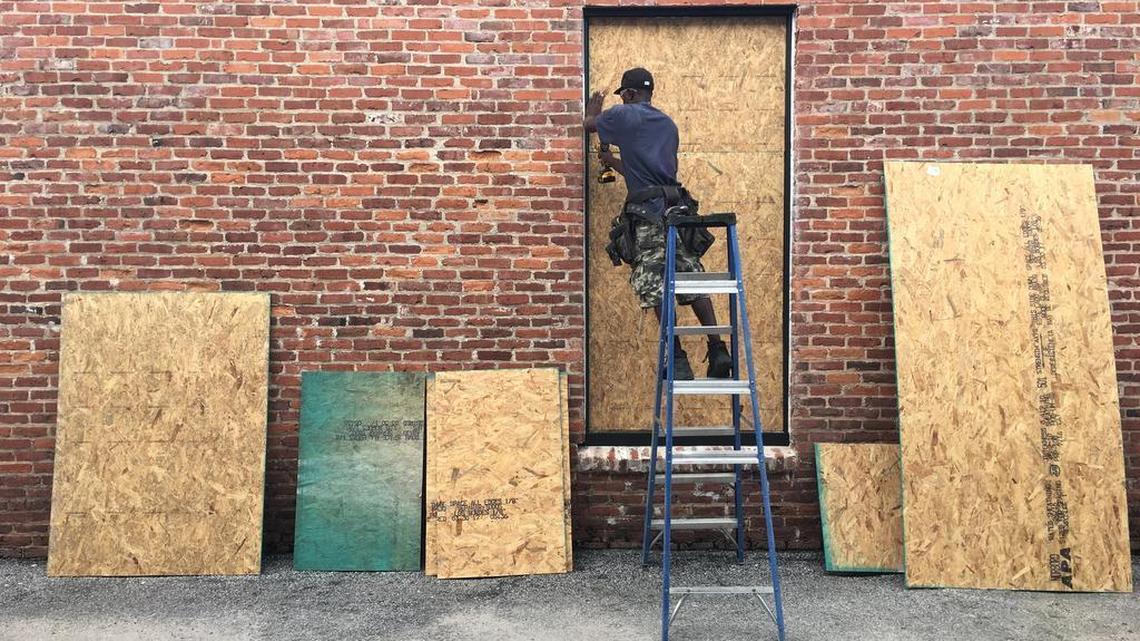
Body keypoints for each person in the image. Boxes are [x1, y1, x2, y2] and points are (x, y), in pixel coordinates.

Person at [584, 67, 732, 380]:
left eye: (623, 95)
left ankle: (677, 358)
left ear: (630, 94)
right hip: (676, 212)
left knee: (654, 286)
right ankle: (718, 349)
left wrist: (593, 111)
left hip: (649, 217)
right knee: (691, 279)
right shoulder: (667, 124)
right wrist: (611, 162)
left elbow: (588, 125)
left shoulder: (625, 116)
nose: (622, 100)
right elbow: (646, 172)